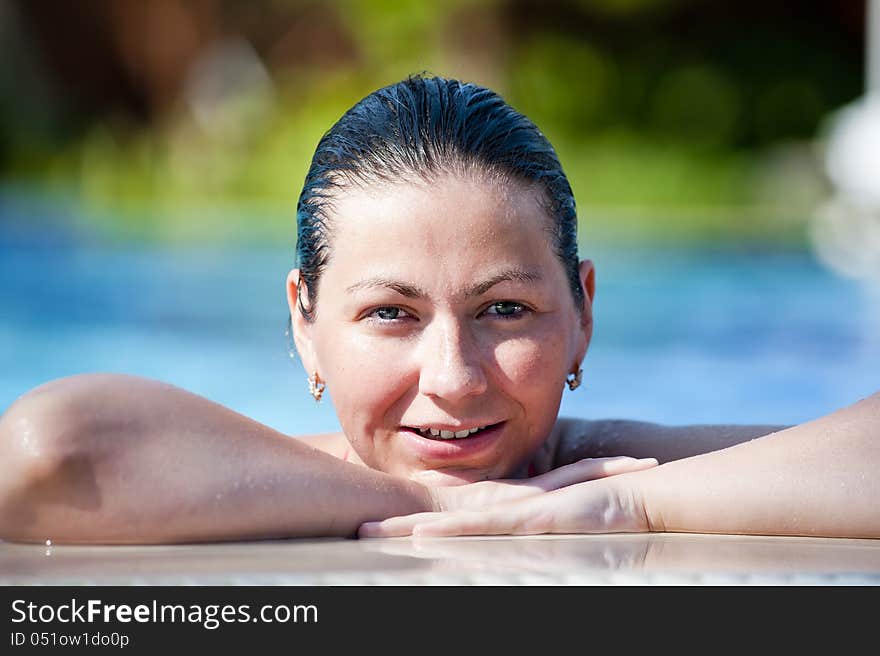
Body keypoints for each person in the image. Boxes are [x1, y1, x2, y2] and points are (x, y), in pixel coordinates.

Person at [0, 76, 877, 545]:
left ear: (582, 312)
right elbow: (54, 450)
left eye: (503, 309)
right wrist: (427, 499)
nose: (455, 381)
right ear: (304, 326)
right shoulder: (271, 475)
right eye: (390, 314)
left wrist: (629, 509)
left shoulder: (611, 472)